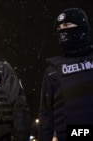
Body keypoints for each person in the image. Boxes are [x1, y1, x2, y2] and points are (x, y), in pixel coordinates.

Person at [38, 8, 93, 141]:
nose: (63, 31)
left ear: (82, 27)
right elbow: (46, 116)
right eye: (59, 28)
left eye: (67, 25)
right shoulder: (52, 71)